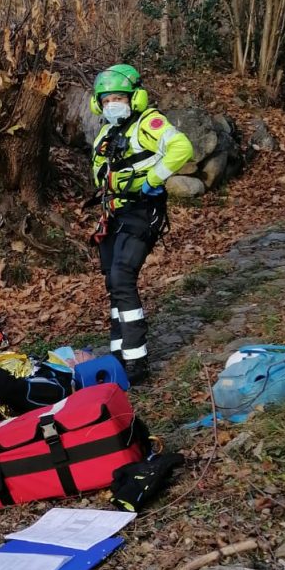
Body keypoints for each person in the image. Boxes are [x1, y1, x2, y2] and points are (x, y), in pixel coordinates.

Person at [90, 64, 193, 383]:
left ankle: (137, 362)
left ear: (134, 97)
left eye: (118, 98)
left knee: (123, 276)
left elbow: (181, 147)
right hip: (114, 213)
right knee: (113, 280)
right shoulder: (107, 132)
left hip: (142, 210)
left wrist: (152, 179)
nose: (112, 105)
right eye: (106, 100)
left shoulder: (147, 123)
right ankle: (119, 354)